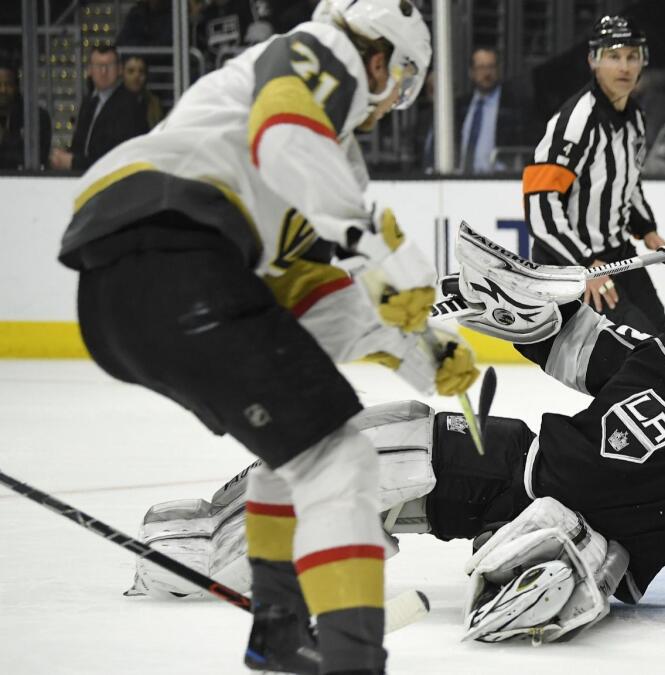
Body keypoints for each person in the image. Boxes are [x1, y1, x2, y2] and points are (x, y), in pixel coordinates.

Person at [129, 226, 665, 646]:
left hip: (603, 543)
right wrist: (505, 301)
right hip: (517, 461)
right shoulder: (657, 358)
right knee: (378, 442)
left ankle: (539, 581)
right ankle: (208, 541)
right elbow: (562, 341)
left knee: (547, 567)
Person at [55, 1, 475, 673]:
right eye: (400, 83)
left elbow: (300, 295)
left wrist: (419, 348)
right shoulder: (322, 55)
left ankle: (279, 627)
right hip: (174, 253)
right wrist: (371, 246)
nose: (390, 105)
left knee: (299, 445)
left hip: (123, 292)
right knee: (343, 462)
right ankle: (351, 661)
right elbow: (287, 135)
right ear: (379, 60)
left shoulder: (312, 157)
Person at [524, 15, 665, 341]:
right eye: (613, 56)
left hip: (617, 254)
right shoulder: (576, 121)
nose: (624, 67)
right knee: (644, 351)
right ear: (593, 60)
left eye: (632, 56)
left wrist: (646, 228)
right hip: (575, 265)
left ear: (643, 61)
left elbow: (628, 181)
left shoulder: (635, 117)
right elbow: (540, 205)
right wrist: (583, 267)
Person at [49, 45, 149, 171]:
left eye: (109, 66)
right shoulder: (89, 102)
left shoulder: (130, 106)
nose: (103, 72)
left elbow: (116, 158)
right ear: (90, 70)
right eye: (98, 66)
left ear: (119, 69)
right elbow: (80, 145)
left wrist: (74, 162)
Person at [457, 46, 532, 173]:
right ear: (471, 72)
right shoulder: (460, 106)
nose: (487, 73)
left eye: (491, 67)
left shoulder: (514, 105)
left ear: (498, 70)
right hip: (459, 181)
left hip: (497, 182)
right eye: (481, 68)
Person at [0, 62, 51, 169]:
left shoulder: (37, 118)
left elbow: (38, 157)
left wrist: (5, 140)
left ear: (16, 86)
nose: (3, 90)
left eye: (8, 84)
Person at [121, 55, 164, 128]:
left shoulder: (154, 103)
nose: (136, 76)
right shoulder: (113, 102)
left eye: (141, 71)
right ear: (122, 73)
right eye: (131, 71)